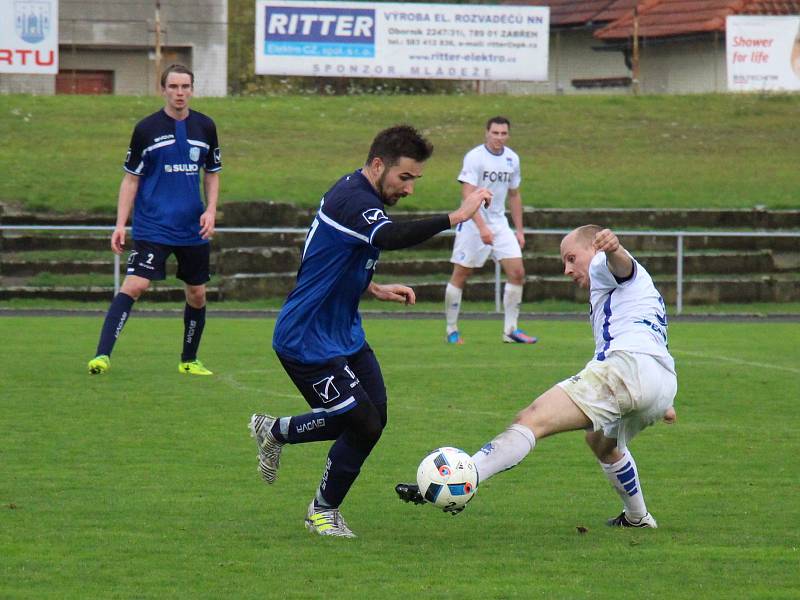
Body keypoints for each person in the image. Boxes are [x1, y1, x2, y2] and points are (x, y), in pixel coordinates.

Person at [249, 125, 493, 538]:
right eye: (405, 178)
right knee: (361, 423)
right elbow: (390, 236)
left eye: (415, 179)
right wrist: (457, 216)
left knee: (374, 417)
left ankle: (275, 431)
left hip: (343, 333)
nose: (410, 189)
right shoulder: (353, 200)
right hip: (305, 339)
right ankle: (322, 511)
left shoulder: (358, 197)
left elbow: (328, 258)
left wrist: (373, 287)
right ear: (378, 165)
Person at [397, 225, 678, 528]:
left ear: (594, 249)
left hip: (627, 372)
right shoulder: (636, 292)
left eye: (572, 258)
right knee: (601, 443)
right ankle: (638, 517)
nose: (567, 269)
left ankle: (464, 476)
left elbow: (619, 265)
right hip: (660, 382)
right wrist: (661, 400)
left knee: (531, 419)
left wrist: (613, 249)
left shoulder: (601, 264)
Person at [87, 64, 221, 376]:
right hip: (153, 226)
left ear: (192, 89)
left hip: (192, 227)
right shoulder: (146, 129)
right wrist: (120, 224)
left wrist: (211, 209)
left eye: (185, 87)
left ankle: (189, 361)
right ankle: (102, 356)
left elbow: (212, 173)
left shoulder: (206, 127)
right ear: (163, 89)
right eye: (173, 87)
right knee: (135, 284)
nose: (179, 93)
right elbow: (130, 180)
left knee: (197, 294)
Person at [445, 116, 536, 345]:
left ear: (508, 135)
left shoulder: (512, 159)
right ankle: (451, 329)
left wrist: (520, 230)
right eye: (495, 133)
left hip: (499, 223)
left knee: (517, 272)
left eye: (503, 133)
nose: (499, 137)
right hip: (472, 221)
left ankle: (510, 330)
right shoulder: (475, 157)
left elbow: (514, 195)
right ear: (487, 133)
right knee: (461, 274)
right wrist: (482, 227)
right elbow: (467, 194)